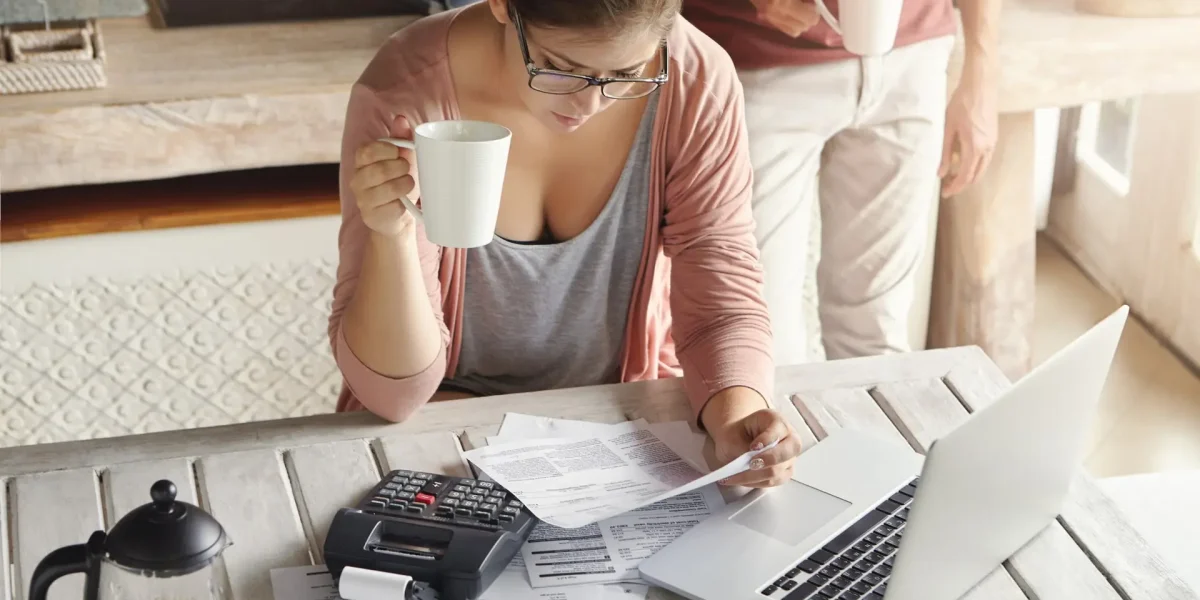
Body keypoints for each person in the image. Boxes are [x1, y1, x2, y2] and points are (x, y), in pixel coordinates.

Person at [327, 0, 803, 488]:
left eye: (626, 73)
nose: (588, 105)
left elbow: (717, 287)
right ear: (502, 6)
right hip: (437, 435)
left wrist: (737, 417)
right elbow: (392, 396)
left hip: (618, 433)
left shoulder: (694, 80)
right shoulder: (405, 89)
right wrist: (393, 236)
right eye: (558, 68)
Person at [682, 0, 1000, 366]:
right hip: (755, 59)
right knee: (760, 342)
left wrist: (983, 71)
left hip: (912, 57)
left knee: (876, 335)